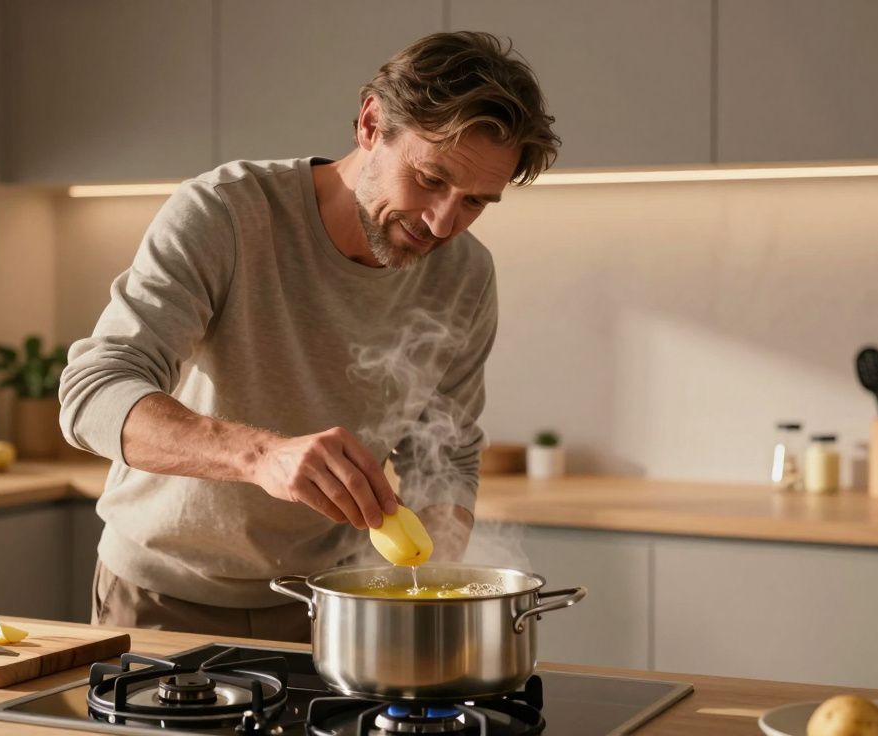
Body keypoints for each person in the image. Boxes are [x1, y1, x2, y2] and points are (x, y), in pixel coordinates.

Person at [59, 31, 559, 641]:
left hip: (329, 608)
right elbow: (92, 394)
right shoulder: (226, 213)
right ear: (371, 124)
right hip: (161, 597)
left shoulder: (466, 274)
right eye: (430, 179)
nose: (442, 223)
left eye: (476, 202)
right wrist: (261, 456)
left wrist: (432, 579)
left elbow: (445, 453)